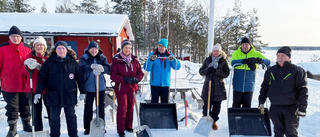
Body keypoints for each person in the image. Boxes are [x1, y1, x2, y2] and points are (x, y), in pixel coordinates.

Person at [34, 41, 86, 137]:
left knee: (71, 117)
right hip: (53, 95)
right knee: (54, 118)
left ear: (67, 50)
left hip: (69, 94)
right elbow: (42, 79)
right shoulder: (49, 63)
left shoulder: (73, 63)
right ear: (55, 50)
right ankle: (54, 135)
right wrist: (38, 92)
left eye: (63, 48)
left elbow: (80, 79)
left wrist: (83, 92)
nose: (61, 50)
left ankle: (73, 135)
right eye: (59, 48)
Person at [258, 46, 308, 137]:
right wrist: (261, 102)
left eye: (283, 55)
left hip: (291, 108)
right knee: (278, 132)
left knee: (291, 133)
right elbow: (264, 87)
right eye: (278, 55)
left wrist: (303, 106)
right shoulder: (271, 71)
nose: (280, 58)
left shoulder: (297, 71)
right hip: (275, 107)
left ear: (289, 57)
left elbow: (302, 89)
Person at [0, 25, 32, 137]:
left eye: (18, 36)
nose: (15, 38)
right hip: (9, 84)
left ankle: (26, 124)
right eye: (13, 36)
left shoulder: (27, 48)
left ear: (21, 37)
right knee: (12, 107)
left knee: (25, 105)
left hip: (25, 84)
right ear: (9, 37)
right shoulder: (2, 48)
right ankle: (12, 128)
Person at [110, 40, 144, 137]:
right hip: (121, 88)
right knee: (122, 109)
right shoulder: (116, 61)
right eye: (125, 48)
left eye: (129, 48)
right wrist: (124, 79)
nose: (127, 50)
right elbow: (113, 76)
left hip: (132, 88)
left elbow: (140, 73)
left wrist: (136, 79)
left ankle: (128, 126)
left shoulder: (135, 61)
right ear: (122, 48)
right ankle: (121, 130)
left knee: (130, 108)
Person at [79, 41, 110, 135]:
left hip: (100, 87)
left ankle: (101, 126)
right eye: (92, 49)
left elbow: (108, 68)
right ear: (89, 49)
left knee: (101, 107)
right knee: (88, 108)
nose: (93, 50)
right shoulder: (84, 58)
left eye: (95, 49)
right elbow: (82, 68)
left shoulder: (102, 57)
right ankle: (87, 127)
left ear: (98, 49)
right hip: (88, 87)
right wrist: (91, 67)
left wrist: (103, 68)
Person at [230, 37, 270, 108]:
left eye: (246, 44)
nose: (245, 46)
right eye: (243, 45)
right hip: (237, 85)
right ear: (241, 45)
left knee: (247, 106)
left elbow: (268, 62)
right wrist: (244, 61)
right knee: (236, 105)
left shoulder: (256, 53)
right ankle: (235, 118)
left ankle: (245, 119)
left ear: (250, 45)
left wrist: (259, 60)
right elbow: (232, 62)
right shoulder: (236, 53)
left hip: (249, 85)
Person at [199, 44, 230, 130]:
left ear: (220, 52)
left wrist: (216, 71)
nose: (215, 52)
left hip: (218, 88)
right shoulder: (207, 60)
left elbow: (226, 74)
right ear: (212, 51)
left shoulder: (223, 62)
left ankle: (214, 121)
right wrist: (207, 70)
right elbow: (201, 71)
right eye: (214, 51)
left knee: (216, 107)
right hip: (207, 87)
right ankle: (205, 120)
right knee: (206, 106)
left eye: (217, 51)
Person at [23, 36, 50, 132]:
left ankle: (54, 128)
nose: (39, 47)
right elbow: (24, 71)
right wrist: (30, 67)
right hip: (34, 87)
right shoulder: (29, 56)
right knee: (36, 111)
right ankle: (38, 130)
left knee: (50, 109)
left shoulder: (48, 57)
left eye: (41, 45)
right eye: (37, 45)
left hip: (47, 88)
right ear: (34, 47)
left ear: (45, 47)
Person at [144, 38, 181, 103]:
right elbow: (147, 68)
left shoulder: (169, 55)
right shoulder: (152, 54)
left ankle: (164, 113)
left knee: (165, 104)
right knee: (154, 103)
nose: (160, 48)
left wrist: (173, 59)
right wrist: (151, 60)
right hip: (155, 84)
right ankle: (154, 113)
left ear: (166, 48)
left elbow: (177, 67)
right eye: (159, 45)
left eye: (162, 46)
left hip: (165, 84)